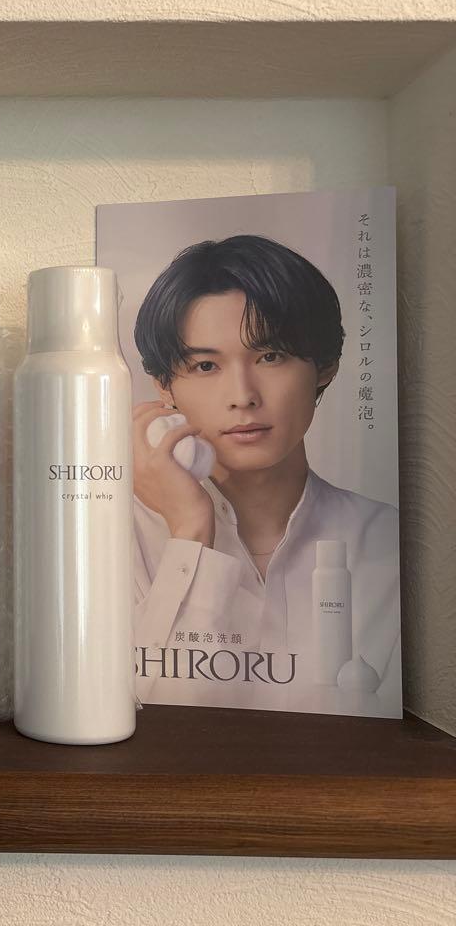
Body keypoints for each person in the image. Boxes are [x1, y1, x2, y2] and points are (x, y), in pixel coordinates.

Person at [130, 234, 400, 715]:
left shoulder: (387, 540)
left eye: (271, 356)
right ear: (163, 387)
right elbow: (155, 718)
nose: (243, 396)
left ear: (325, 367)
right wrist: (190, 532)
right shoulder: (116, 538)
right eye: (206, 365)